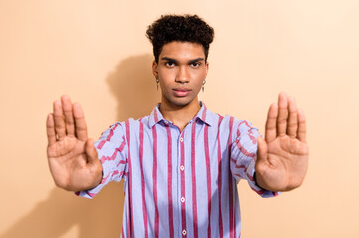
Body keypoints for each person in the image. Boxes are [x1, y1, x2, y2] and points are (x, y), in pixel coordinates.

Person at [46, 14, 308, 238]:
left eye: (194, 64)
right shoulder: (126, 136)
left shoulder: (233, 133)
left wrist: (269, 178)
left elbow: (252, 160)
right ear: (155, 68)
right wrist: (85, 178)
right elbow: (99, 163)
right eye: (171, 63)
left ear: (206, 69)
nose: (182, 77)